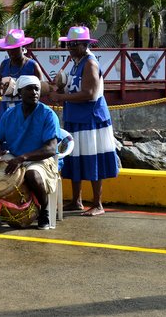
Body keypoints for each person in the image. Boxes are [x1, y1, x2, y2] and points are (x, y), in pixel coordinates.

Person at [50, 26, 119, 217]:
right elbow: (76, 89)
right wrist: (61, 92)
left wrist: (61, 98)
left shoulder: (90, 63)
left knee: (92, 157)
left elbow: (89, 94)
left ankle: (97, 203)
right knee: (75, 157)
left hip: (90, 119)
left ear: (85, 44)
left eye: (74, 44)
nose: (70, 47)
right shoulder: (76, 62)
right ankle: (76, 200)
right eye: (68, 44)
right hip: (76, 117)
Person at [0, 75, 59, 230]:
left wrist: (23, 158)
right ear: (20, 92)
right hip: (16, 156)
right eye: (29, 89)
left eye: (37, 89)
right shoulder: (9, 114)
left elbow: (50, 148)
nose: (34, 92)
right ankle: (6, 210)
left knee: (32, 175)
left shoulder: (47, 114)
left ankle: (45, 212)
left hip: (40, 159)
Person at [0, 29, 44, 126]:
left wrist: (21, 91)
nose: (11, 51)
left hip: (26, 116)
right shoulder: (4, 64)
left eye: (15, 48)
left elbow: (41, 91)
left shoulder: (32, 65)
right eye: (8, 48)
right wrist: (0, 88)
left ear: (23, 47)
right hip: (5, 114)